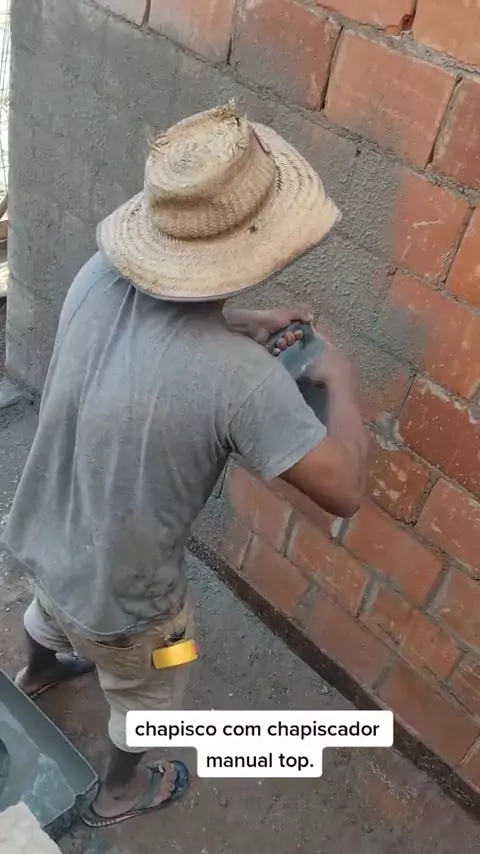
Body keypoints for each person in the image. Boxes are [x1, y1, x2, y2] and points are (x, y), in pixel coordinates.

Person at [1, 104, 367, 826]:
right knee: (157, 685)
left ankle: (36, 675)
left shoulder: (99, 276)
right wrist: (341, 382)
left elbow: (169, 328)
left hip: (44, 537)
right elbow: (345, 489)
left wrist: (247, 323)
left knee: (53, 615)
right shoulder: (244, 382)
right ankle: (118, 792)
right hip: (128, 611)